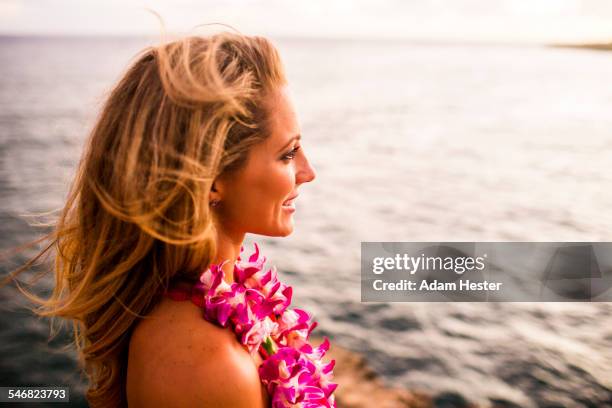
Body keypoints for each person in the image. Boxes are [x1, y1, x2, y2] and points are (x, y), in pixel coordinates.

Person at [8, 32, 321, 407]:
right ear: (212, 180)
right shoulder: (207, 367)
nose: (308, 171)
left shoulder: (223, 300)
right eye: (288, 154)